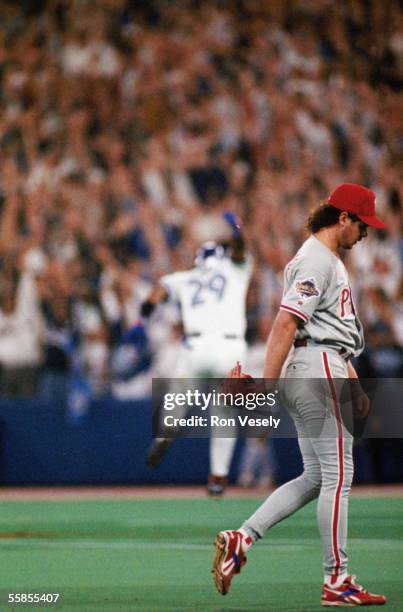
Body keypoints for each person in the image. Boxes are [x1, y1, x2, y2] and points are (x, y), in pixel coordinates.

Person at [212, 184, 387, 606]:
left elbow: (321, 329)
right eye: (362, 224)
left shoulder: (324, 259)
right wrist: (266, 389)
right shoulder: (316, 258)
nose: (365, 233)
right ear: (343, 217)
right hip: (316, 369)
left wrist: (354, 380)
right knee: (340, 474)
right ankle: (337, 578)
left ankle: (243, 537)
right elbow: (287, 324)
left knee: (316, 476)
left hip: (321, 364)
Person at [143, 211, 253, 495]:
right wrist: (236, 229)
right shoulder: (234, 269)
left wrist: (148, 307)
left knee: (180, 395)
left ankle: (165, 435)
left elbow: (159, 291)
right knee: (225, 413)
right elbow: (240, 250)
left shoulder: (186, 277)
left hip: (196, 346)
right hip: (230, 347)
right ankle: (218, 477)